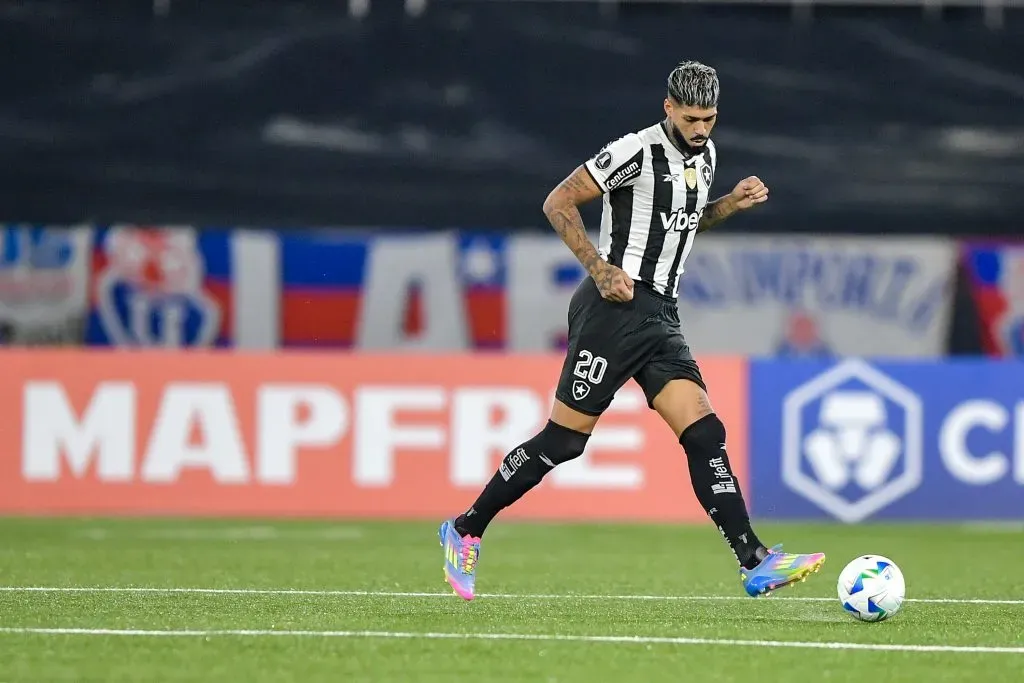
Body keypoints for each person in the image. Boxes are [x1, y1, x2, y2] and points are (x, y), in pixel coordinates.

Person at [438, 60, 825, 601]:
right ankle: (465, 528)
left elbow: (685, 220)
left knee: (705, 433)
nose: (700, 129)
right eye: (690, 118)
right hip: (612, 312)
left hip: (661, 316)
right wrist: (600, 269)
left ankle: (754, 561)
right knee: (564, 441)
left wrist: (730, 205)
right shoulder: (636, 152)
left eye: (709, 119)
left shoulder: (706, 155)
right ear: (668, 108)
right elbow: (558, 201)